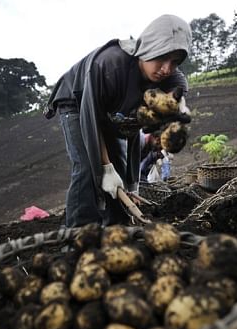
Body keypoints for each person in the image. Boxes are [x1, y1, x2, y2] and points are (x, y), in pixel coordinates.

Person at [44, 14, 192, 227]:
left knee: (118, 171)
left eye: (175, 62)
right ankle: (78, 234)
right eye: (162, 57)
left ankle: (117, 228)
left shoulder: (171, 79)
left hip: (108, 110)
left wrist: (177, 118)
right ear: (149, 48)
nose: (167, 69)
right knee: (88, 167)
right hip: (77, 102)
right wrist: (104, 167)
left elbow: (141, 125)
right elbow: (92, 121)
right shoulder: (110, 65)